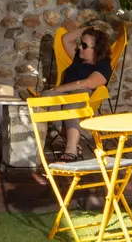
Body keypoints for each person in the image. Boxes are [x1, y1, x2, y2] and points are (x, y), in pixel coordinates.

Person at [40, 24, 112, 160]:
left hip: (82, 97)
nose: (80, 47)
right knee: (46, 96)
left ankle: (71, 148)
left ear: (96, 49)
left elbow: (88, 83)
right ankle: (72, 142)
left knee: (70, 105)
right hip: (65, 95)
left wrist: (59, 89)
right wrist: (86, 30)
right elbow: (65, 38)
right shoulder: (78, 58)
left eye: (84, 45)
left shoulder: (103, 65)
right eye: (80, 44)